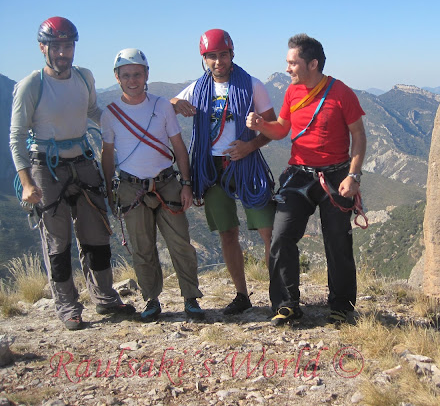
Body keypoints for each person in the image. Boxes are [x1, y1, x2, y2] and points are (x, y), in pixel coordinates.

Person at [9, 17, 135, 331]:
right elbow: (16, 136)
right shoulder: (31, 85)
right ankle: (68, 307)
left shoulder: (84, 77)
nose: (63, 52)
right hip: (45, 167)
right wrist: (26, 183)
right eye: (57, 46)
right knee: (57, 241)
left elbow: (93, 112)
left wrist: (125, 123)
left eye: (68, 45)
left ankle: (105, 298)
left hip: (81, 161)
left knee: (97, 234)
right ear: (43, 48)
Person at [246, 33, 367, 326]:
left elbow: (359, 136)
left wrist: (353, 175)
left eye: (292, 62)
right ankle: (286, 304)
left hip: (337, 174)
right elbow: (282, 130)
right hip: (300, 174)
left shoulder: (341, 93)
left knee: (337, 241)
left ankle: (341, 306)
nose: (288, 68)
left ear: (312, 63)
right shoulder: (292, 92)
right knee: (281, 236)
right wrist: (262, 125)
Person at [171, 29, 276, 315]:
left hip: (247, 163)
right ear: (204, 58)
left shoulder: (252, 85)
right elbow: (168, 106)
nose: (218, 62)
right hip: (212, 168)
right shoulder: (197, 88)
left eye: (223, 55)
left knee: (268, 232)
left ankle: (279, 293)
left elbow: (272, 127)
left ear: (232, 55)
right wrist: (176, 104)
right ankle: (242, 295)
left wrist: (250, 145)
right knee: (227, 233)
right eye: (212, 56)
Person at [101, 48, 205, 321]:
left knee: (181, 243)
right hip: (130, 186)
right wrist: (110, 192)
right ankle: (151, 299)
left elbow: (179, 147)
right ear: (117, 77)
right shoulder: (110, 114)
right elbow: (107, 154)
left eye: (137, 74)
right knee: (142, 248)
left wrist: (186, 183)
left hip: (167, 182)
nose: (132, 80)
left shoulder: (161, 106)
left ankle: (190, 298)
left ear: (146, 74)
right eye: (126, 75)